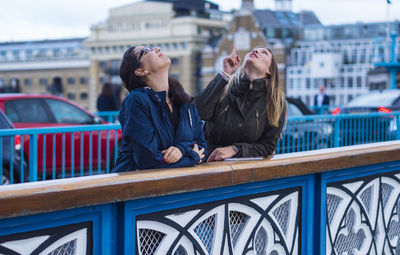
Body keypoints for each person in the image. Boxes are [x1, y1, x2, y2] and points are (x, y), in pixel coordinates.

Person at [112, 46, 206, 172]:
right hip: (135, 185)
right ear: (141, 70)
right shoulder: (136, 101)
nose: (157, 49)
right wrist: (191, 157)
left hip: (175, 183)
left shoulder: (185, 101)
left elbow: (202, 147)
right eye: (146, 50)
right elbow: (148, 160)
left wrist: (181, 149)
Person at [195, 46, 286, 161]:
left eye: (264, 53)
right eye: (254, 50)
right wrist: (225, 74)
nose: (256, 51)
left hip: (246, 170)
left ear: (269, 71)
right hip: (209, 164)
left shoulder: (276, 103)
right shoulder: (225, 88)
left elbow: (268, 146)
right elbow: (199, 112)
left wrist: (236, 149)